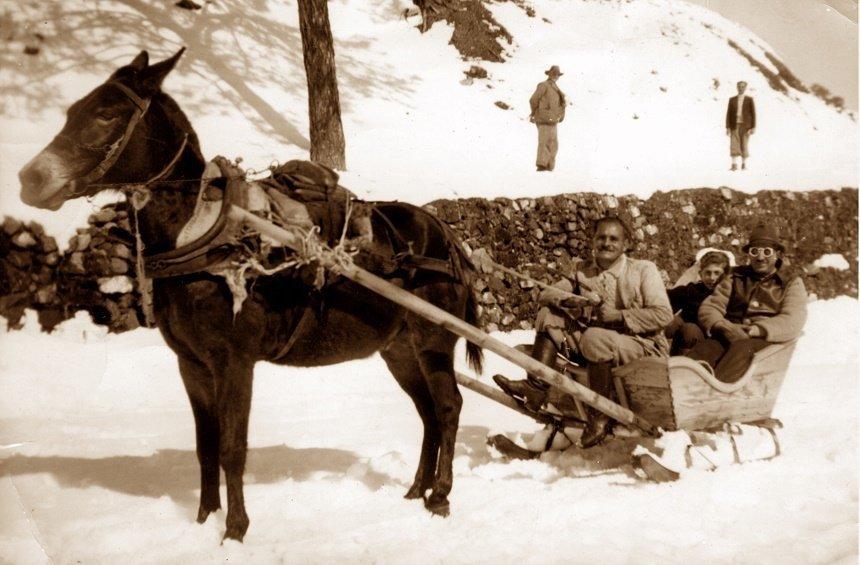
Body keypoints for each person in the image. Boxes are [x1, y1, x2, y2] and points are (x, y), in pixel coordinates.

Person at [493, 216, 673, 448]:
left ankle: (600, 417)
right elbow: (546, 294)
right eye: (601, 238)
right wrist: (573, 301)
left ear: (625, 244)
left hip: (641, 345)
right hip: (594, 346)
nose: (606, 243)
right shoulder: (582, 270)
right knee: (548, 315)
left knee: (594, 337)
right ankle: (536, 388)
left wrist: (620, 316)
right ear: (593, 241)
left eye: (613, 239)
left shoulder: (643, 270)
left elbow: (663, 314)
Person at [686, 224, 807, 383]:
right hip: (729, 334)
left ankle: (717, 394)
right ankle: (680, 387)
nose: (760, 257)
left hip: (765, 343)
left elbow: (792, 320)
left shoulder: (791, 282)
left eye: (767, 252)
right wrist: (722, 325)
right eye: (754, 251)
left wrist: (755, 330)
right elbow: (710, 307)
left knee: (742, 350)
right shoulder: (734, 276)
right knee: (703, 351)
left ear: (778, 254)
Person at [665, 250, 731, 355]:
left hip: (710, 339)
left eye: (717, 273)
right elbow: (665, 299)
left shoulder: (729, 294)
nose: (712, 278)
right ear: (700, 274)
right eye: (708, 273)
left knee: (689, 329)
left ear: (726, 275)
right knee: (672, 321)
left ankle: (685, 367)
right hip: (684, 336)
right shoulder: (692, 290)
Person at [529, 65, 566, 172]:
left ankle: (549, 166)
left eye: (557, 74)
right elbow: (533, 100)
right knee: (544, 141)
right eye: (553, 73)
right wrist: (536, 112)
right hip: (544, 118)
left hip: (553, 119)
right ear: (549, 74)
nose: (555, 76)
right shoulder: (543, 85)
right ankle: (541, 166)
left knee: (553, 143)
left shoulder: (555, 87)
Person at [726, 80, 756, 171]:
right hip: (734, 124)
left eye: (743, 86)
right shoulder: (732, 100)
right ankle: (734, 165)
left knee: (744, 144)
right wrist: (727, 127)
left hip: (746, 125)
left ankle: (744, 164)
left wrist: (753, 127)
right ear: (737, 87)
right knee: (734, 144)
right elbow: (728, 114)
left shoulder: (749, 99)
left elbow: (753, 114)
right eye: (739, 86)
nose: (741, 88)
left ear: (745, 88)